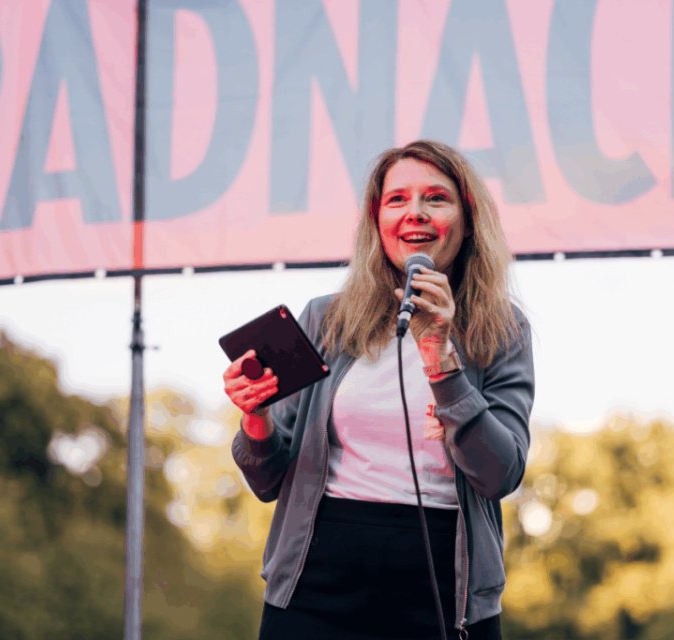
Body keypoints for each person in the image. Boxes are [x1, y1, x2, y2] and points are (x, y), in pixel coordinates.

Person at [224, 140, 534, 639]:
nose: (415, 212)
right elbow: (267, 481)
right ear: (377, 219)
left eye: (436, 198)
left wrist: (440, 356)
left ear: (468, 217)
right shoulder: (326, 319)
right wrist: (255, 417)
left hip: (444, 582)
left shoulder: (503, 328)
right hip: (317, 573)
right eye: (397, 200)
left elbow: (501, 473)